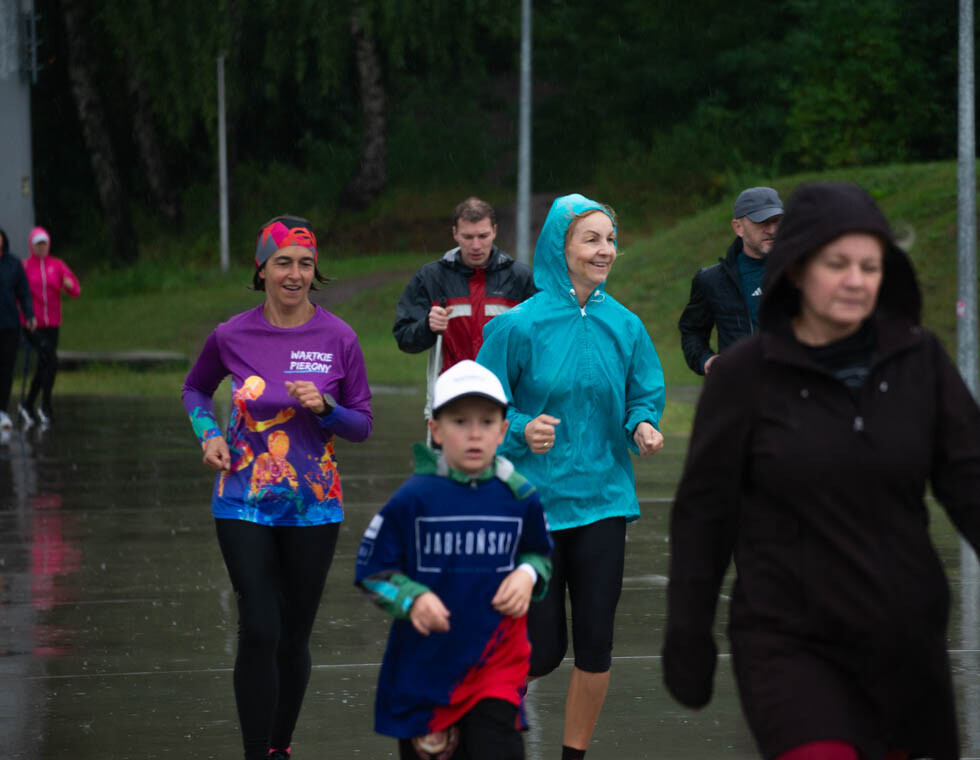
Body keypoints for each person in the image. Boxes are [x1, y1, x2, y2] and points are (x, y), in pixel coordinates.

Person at [663, 182, 980, 760]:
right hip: (788, 640)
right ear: (798, 269)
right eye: (837, 263)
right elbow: (703, 518)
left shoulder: (918, 361)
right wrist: (687, 641)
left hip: (903, 641)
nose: (856, 279)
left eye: (870, 265)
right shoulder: (745, 377)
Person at [475, 193, 666, 760]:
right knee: (541, 651)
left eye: (610, 239)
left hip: (605, 500)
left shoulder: (625, 324)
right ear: (561, 247)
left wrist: (643, 425)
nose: (605, 250)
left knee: (596, 646)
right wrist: (519, 430)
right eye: (592, 239)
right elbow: (477, 407)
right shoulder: (518, 326)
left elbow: (644, 391)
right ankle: (481, 721)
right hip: (533, 506)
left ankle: (572, 756)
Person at [182, 215, 373, 760]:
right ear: (261, 268)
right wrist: (209, 434)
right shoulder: (232, 334)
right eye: (283, 262)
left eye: (305, 264)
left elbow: (361, 425)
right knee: (260, 626)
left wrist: (327, 407)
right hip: (242, 499)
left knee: (293, 637)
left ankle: (279, 747)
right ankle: (254, 751)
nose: (295, 274)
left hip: (314, 508)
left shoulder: (339, 338)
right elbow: (195, 388)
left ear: (316, 271)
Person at [355, 359, 554, 760]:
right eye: (460, 421)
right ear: (436, 430)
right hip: (426, 673)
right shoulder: (414, 498)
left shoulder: (520, 496)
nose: (474, 433)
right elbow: (373, 571)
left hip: (496, 666)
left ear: (502, 429)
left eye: (486, 421)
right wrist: (413, 599)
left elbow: (541, 553)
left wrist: (527, 574)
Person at [393, 197, 537, 419]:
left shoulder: (521, 278)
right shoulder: (430, 278)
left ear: (495, 231)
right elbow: (404, 338)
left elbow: (542, 342)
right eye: (468, 237)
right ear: (455, 234)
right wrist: (427, 327)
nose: (476, 245)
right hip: (449, 402)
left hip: (507, 405)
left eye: (483, 236)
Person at [678, 186, 783, 376]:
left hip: (797, 395)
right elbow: (692, 331)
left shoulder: (802, 271)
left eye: (776, 221)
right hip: (739, 395)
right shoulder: (711, 281)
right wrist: (706, 361)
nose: (772, 229)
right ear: (738, 227)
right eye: (762, 222)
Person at [19, 226, 80, 427]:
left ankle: (29, 403)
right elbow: (18, 294)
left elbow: (74, 288)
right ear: (32, 246)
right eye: (38, 244)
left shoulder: (57, 265)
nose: (42, 247)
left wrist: (69, 286)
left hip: (53, 322)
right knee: (51, 360)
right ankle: (45, 404)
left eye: (44, 243)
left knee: (45, 364)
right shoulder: (26, 266)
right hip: (33, 324)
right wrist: (26, 317)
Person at [0, 228, 36, 432]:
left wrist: (29, 315)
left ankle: (2, 410)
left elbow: (23, 293)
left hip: (9, 324)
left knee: (6, 368)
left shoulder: (13, 264)